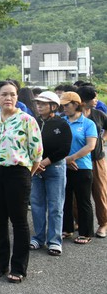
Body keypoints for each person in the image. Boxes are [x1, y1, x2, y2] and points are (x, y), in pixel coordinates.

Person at [0, 80, 42, 283]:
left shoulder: (27, 120)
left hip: (18, 173)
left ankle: (18, 267)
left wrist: (26, 174)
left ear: (17, 97)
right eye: (4, 94)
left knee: (19, 221)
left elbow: (36, 155)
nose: (8, 98)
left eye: (12, 94)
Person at [30, 91, 72, 256]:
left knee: (55, 206)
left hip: (55, 168)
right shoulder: (33, 122)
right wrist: (35, 164)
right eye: (38, 103)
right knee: (37, 205)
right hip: (36, 169)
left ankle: (54, 241)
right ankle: (38, 238)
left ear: (53, 106)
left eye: (43, 103)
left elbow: (64, 149)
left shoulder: (62, 124)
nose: (39, 106)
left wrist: (44, 163)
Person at [61, 91, 97, 245]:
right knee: (65, 200)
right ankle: (67, 229)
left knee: (83, 201)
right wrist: (65, 160)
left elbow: (91, 145)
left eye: (66, 105)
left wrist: (72, 158)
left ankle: (85, 232)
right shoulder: (62, 122)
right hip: (63, 166)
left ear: (76, 104)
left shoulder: (88, 123)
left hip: (82, 167)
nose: (63, 108)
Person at [76, 86, 107, 238]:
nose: (96, 100)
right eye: (93, 98)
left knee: (100, 191)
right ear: (83, 101)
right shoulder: (74, 115)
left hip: (96, 159)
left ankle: (103, 223)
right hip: (78, 160)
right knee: (77, 194)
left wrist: (103, 138)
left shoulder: (99, 114)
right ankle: (77, 221)